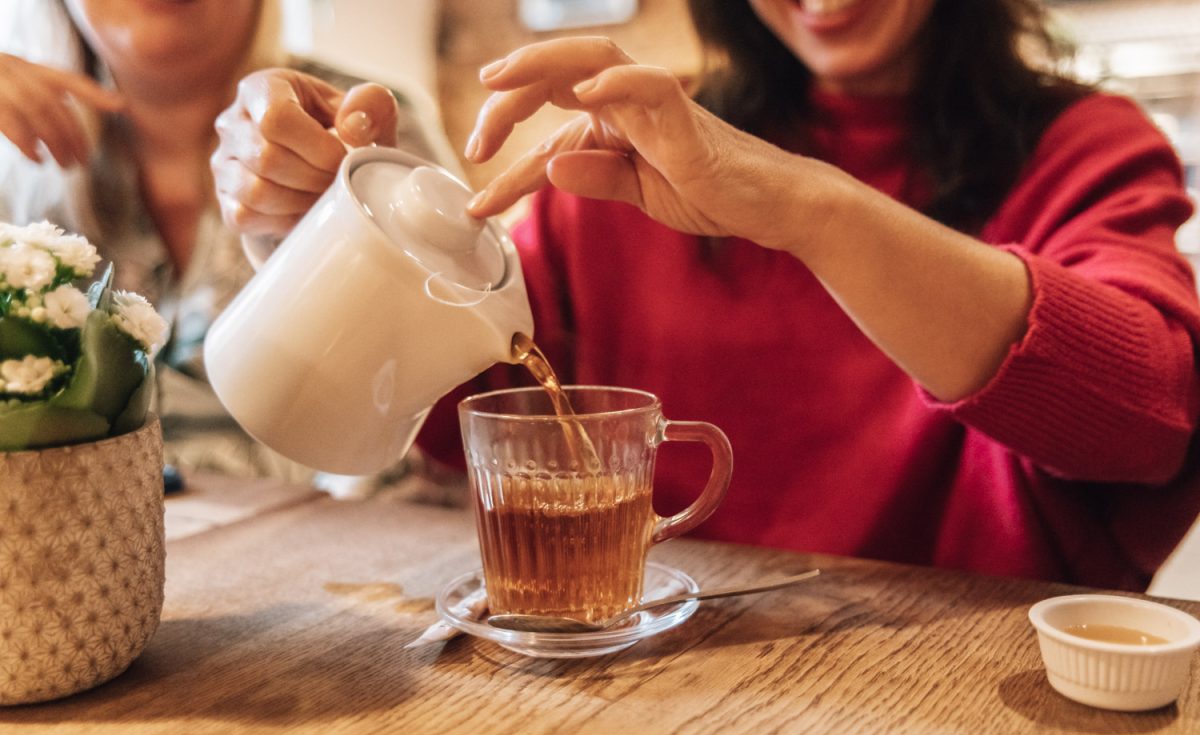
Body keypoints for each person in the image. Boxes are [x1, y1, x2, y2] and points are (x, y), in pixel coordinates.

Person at [210, 0, 1200, 591]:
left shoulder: (1083, 148)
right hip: (649, 701)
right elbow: (454, 408)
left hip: (964, 711)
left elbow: (1148, 417)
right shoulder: (639, 144)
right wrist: (305, 234)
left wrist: (811, 208)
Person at [0, 0, 444, 485]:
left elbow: (454, 403)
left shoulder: (366, 136)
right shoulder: (16, 175)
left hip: (354, 543)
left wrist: (355, 234)